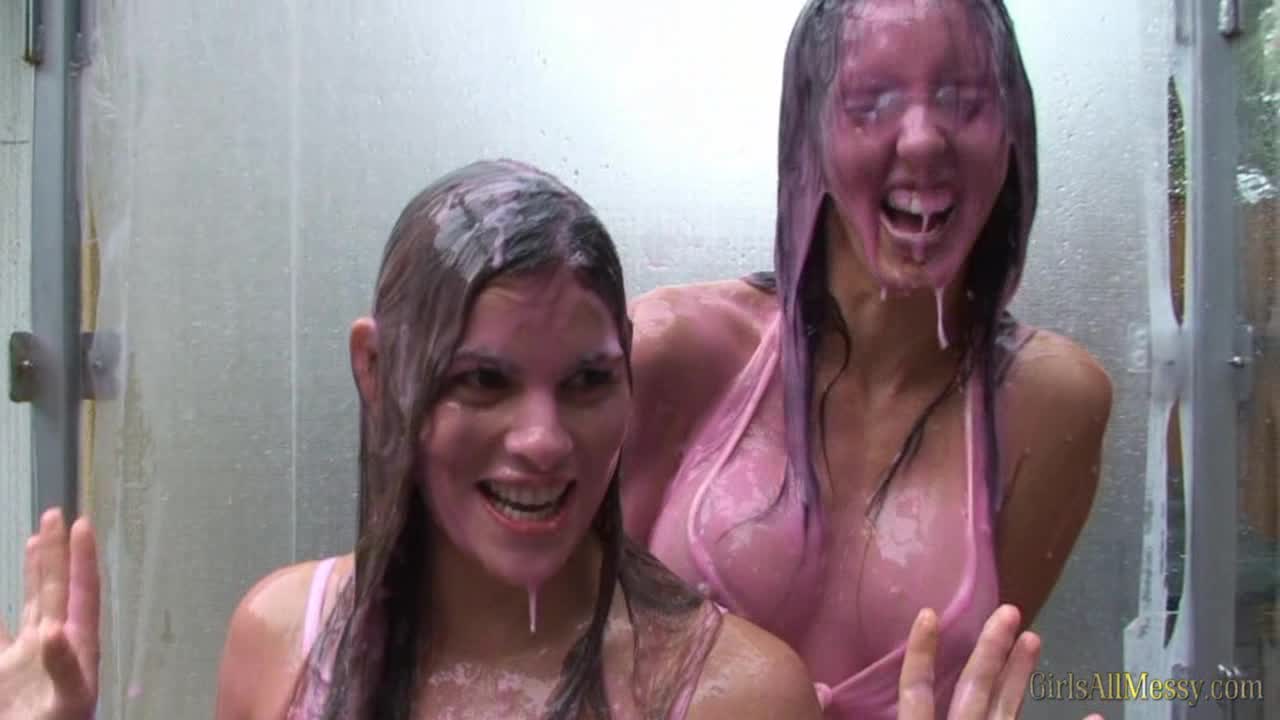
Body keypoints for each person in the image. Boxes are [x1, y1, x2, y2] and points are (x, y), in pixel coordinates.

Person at [0, 160, 1055, 720]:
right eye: (483, 381)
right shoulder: (282, 641)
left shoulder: (735, 695)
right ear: (377, 373)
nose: (545, 442)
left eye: (588, 382)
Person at [622, 1, 1113, 718]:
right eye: (870, 101)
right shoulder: (672, 350)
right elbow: (550, 646)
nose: (923, 139)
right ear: (811, 132)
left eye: (964, 100)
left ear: (1011, 130)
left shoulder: (1051, 406)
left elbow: (972, 691)